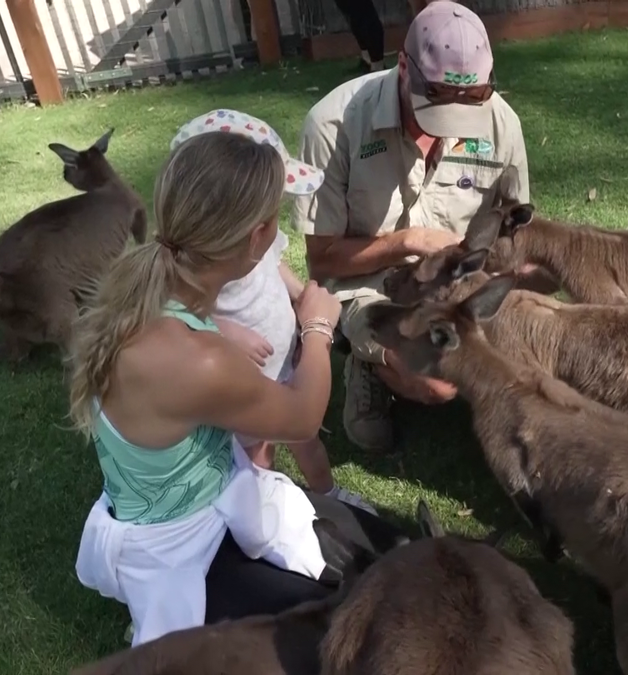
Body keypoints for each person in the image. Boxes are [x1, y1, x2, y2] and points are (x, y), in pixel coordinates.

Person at [67, 120, 407, 648]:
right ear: (258, 239)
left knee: (385, 552)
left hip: (204, 500)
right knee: (351, 629)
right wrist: (317, 327)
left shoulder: (143, 296)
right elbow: (301, 417)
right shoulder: (197, 359)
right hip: (183, 547)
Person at [294, 0, 535, 453]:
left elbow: (517, 236)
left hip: (460, 285)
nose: (449, 131)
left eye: (467, 108)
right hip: (369, 286)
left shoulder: (503, 124)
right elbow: (323, 258)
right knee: (438, 383)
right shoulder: (332, 125)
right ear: (403, 67)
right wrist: (407, 242)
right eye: (438, 109)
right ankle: (371, 360)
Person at [169, 109, 377, 517]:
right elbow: (180, 314)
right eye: (271, 210)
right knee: (257, 456)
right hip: (243, 381)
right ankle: (266, 509)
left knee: (308, 440)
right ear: (246, 228)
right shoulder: (189, 270)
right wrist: (224, 330)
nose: (274, 222)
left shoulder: (256, 242)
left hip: (283, 363)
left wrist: (301, 296)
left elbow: (274, 265)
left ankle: (326, 494)